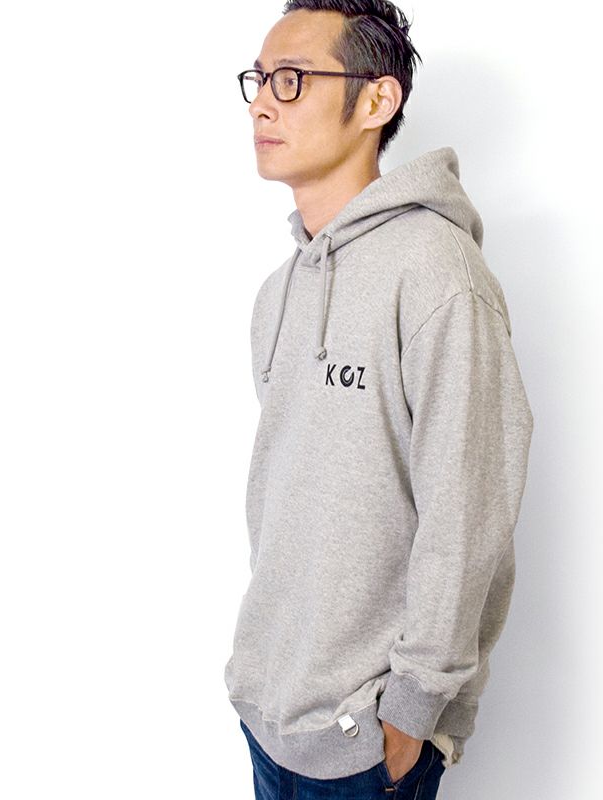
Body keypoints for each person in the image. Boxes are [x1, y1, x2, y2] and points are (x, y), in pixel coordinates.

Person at [224, 1, 535, 797]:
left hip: (365, 738)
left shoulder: (439, 273)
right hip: (269, 713)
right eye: (259, 79)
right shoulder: (278, 291)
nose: (262, 103)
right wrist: (258, 677)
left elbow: (469, 510)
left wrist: (411, 712)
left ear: (376, 100)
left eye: (292, 80)